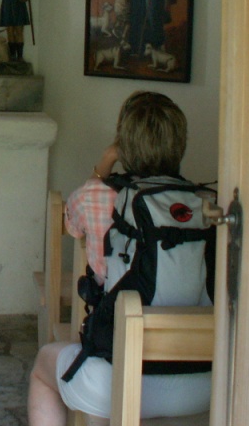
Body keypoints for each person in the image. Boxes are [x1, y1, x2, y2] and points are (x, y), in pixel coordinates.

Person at [27, 91, 211, 425]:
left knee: (43, 368)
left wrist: (105, 163)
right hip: (201, 382)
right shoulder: (204, 204)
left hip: (118, 377)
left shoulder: (98, 195)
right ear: (180, 143)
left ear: (123, 142)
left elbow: (72, 224)